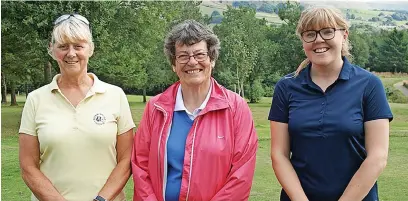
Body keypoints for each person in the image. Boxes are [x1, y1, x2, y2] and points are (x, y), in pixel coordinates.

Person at [269, 7, 393, 201]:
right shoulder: (286, 87)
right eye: (310, 34)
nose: (319, 40)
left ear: (344, 35)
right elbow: (279, 155)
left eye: (327, 31)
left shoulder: (369, 85)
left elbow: (377, 157)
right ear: (303, 41)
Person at [131, 19, 258, 201]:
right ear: (174, 64)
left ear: (212, 60)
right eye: (183, 56)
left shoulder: (236, 108)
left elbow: (241, 176)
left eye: (199, 54)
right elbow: (140, 165)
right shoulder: (156, 107)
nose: (192, 62)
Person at [19, 14, 135, 201]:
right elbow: (28, 166)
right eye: (63, 46)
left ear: (91, 48)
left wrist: (101, 199)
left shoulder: (116, 95)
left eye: (78, 46)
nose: (71, 53)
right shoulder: (35, 99)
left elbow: (126, 160)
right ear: (52, 49)